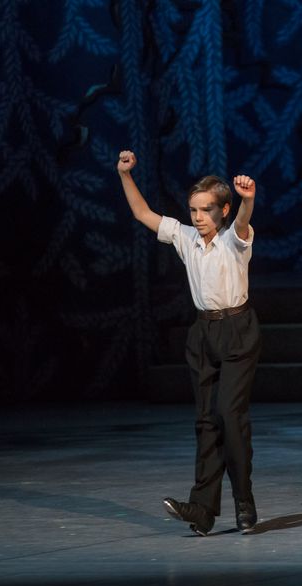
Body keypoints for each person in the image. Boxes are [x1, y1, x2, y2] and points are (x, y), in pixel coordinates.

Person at [117, 150, 263, 536]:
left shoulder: (234, 240)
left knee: (229, 415)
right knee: (206, 420)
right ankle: (202, 508)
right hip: (203, 334)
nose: (198, 217)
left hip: (237, 331)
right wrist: (125, 174)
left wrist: (247, 199)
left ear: (223, 211)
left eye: (206, 210)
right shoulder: (186, 238)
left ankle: (244, 500)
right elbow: (143, 214)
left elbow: (243, 221)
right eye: (193, 210)